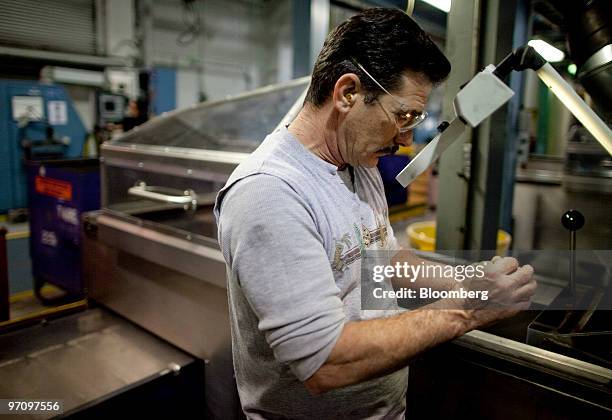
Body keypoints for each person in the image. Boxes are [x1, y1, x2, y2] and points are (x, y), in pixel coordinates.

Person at [214, 8, 536, 419]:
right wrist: (469, 306)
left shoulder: (357, 162)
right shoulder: (269, 193)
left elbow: (380, 259)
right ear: (347, 93)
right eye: (402, 116)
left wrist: (470, 278)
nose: (404, 138)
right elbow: (324, 362)